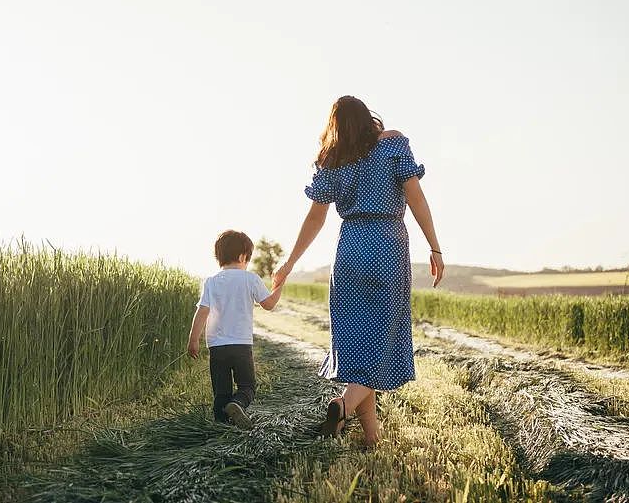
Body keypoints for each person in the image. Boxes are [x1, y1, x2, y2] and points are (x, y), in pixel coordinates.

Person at [272, 96, 444, 447]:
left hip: (349, 250)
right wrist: (435, 246)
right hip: (387, 246)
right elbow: (416, 198)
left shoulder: (333, 160)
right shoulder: (392, 143)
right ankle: (343, 406)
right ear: (368, 118)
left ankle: (371, 438)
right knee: (380, 346)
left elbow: (315, 219)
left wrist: (289, 264)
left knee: (359, 349)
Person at [187, 230, 285, 429]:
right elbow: (269, 304)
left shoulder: (211, 281)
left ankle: (221, 427)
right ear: (243, 256)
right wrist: (279, 284)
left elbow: (202, 311)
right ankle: (237, 404)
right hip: (241, 345)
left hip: (217, 346)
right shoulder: (250, 279)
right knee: (247, 387)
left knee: (221, 391)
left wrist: (193, 339)